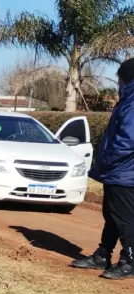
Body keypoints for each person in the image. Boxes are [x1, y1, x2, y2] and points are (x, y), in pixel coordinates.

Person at [71, 58, 134, 280]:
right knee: (113, 215)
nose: (118, 82)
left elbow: (128, 139)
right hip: (120, 171)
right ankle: (103, 254)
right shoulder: (128, 100)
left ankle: (130, 261)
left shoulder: (132, 102)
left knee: (124, 218)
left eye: (120, 77)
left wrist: (108, 159)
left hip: (124, 172)